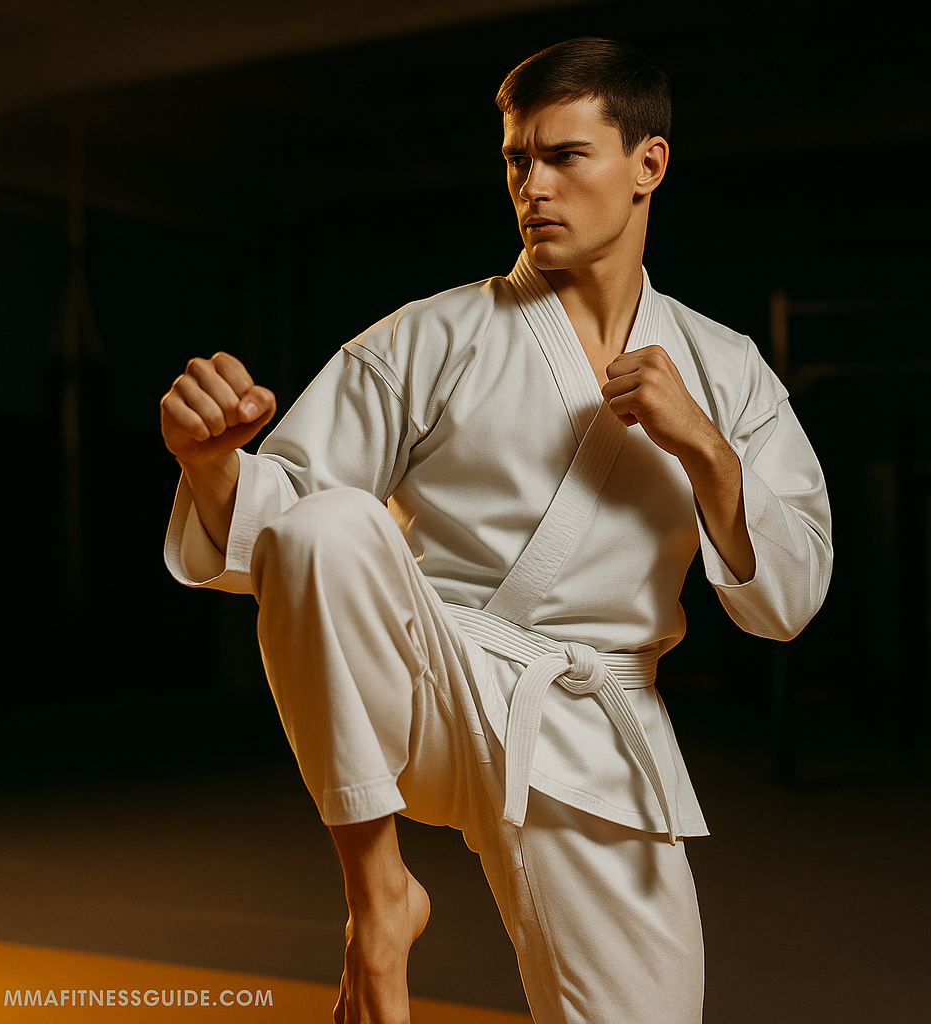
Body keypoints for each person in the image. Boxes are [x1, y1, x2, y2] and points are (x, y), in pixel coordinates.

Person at [160, 37, 831, 1024]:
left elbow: (791, 598)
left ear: (648, 165)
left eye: (566, 156)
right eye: (518, 159)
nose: (534, 186)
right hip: (428, 676)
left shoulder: (724, 372)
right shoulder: (428, 338)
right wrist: (210, 463)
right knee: (327, 526)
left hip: (593, 719)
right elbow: (281, 531)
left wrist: (707, 453)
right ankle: (379, 896)